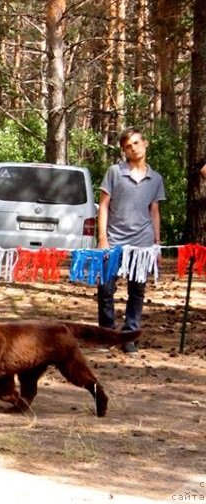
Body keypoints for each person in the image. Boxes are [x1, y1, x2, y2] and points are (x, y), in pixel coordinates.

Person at [97, 127, 166, 354]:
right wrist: (102, 238)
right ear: (124, 150)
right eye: (128, 146)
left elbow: (154, 210)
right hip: (115, 240)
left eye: (136, 143)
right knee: (106, 288)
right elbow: (104, 205)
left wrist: (156, 242)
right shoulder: (114, 172)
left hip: (142, 242)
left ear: (145, 144)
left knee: (137, 290)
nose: (133, 148)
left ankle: (130, 336)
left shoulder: (155, 178)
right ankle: (107, 334)